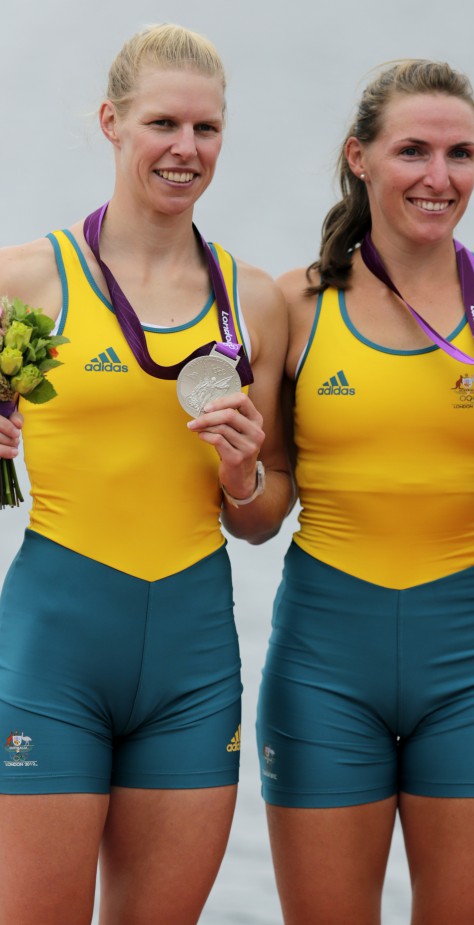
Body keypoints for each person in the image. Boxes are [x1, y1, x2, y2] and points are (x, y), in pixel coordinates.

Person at [256, 59, 474, 925]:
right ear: (358, 158)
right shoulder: (293, 304)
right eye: (413, 150)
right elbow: (259, 515)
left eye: (461, 153)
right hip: (324, 669)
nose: (440, 178)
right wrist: (233, 478)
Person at [0, 23, 292, 925]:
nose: (185, 150)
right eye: (163, 124)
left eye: (206, 131)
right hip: (53, 651)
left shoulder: (256, 301)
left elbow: (265, 513)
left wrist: (243, 475)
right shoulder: (26, 283)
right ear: (111, 123)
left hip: (192, 663)